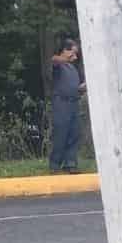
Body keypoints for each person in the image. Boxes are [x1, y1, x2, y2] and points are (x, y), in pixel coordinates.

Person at [49, 38, 86, 174]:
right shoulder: (58, 64)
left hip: (74, 103)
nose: (75, 57)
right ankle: (55, 165)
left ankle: (70, 164)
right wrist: (65, 57)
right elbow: (54, 59)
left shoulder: (73, 69)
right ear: (65, 50)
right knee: (61, 134)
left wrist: (83, 87)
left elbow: (76, 88)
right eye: (73, 53)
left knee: (74, 133)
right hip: (61, 103)